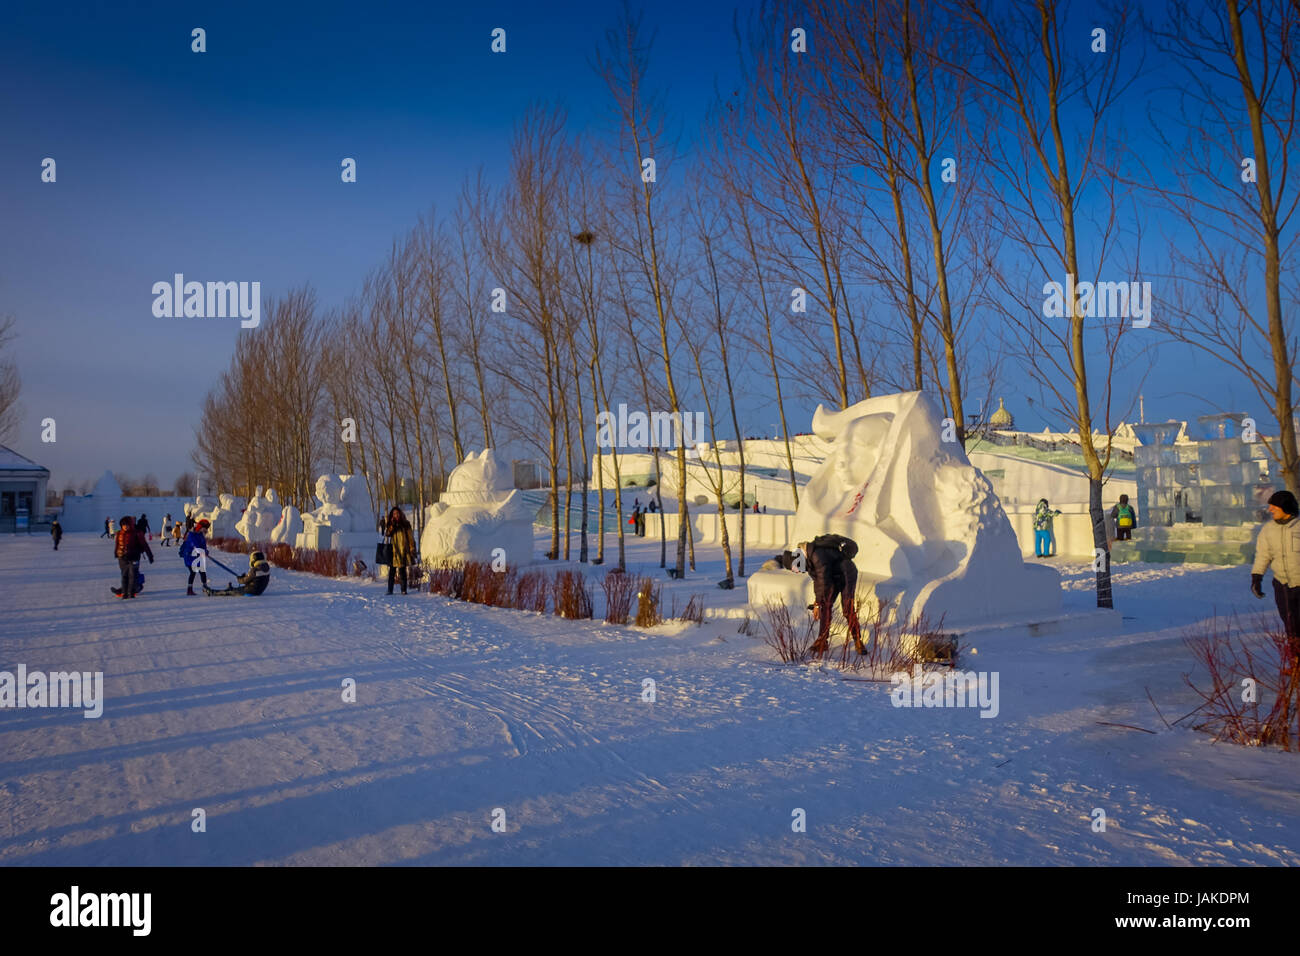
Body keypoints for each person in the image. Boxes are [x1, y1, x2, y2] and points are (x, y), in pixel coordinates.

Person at [800, 533, 865, 656]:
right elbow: (817, 581)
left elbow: (823, 579)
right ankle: (822, 641)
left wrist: (819, 603)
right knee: (826, 606)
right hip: (834, 576)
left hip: (847, 574)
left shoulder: (817, 556)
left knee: (847, 609)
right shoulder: (810, 560)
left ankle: (858, 641)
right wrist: (817, 602)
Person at [1251, 490, 1300, 642]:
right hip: (1282, 585)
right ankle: (1295, 661)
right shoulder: (1268, 530)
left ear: (1285, 508)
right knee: (1290, 625)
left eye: (1274, 507)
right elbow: (1263, 555)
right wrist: (1257, 578)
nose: (1270, 509)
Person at [113, 515, 154, 599]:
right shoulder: (119, 533)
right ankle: (124, 592)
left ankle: (132, 591)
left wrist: (150, 555)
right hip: (122, 557)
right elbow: (117, 544)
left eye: (127, 524)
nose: (125, 526)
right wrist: (116, 553)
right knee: (125, 574)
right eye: (123, 525)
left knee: (133, 575)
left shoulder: (137, 532)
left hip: (134, 556)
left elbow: (144, 544)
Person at [206, 550, 272, 596]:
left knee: (230, 592)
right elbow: (255, 578)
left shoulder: (255, 569)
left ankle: (212, 592)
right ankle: (232, 589)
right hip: (259, 590)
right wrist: (245, 577)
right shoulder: (267, 568)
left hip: (251, 591)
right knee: (238, 589)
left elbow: (243, 581)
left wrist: (239, 578)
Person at [383, 507, 416, 595]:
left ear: (400, 514)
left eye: (397, 513)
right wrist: (392, 525)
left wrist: (412, 548)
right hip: (394, 551)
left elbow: (410, 537)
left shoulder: (405, 524)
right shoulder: (391, 524)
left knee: (402, 571)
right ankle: (390, 590)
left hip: (403, 550)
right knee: (392, 572)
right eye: (394, 514)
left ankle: (403, 590)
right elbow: (387, 534)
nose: (396, 515)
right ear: (392, 515)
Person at [181, 518, 211, 595]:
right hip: (190, 556)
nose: (206, 531)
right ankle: (189, 589)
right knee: (193, 571)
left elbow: (203, 545)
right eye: (205, 529)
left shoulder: (201, 535)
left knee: (202, 571)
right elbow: (195, 546)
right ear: (201, 527)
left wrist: (205, 551)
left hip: (198, 556)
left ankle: (205, 587)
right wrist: (202, 552)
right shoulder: (191, 535)